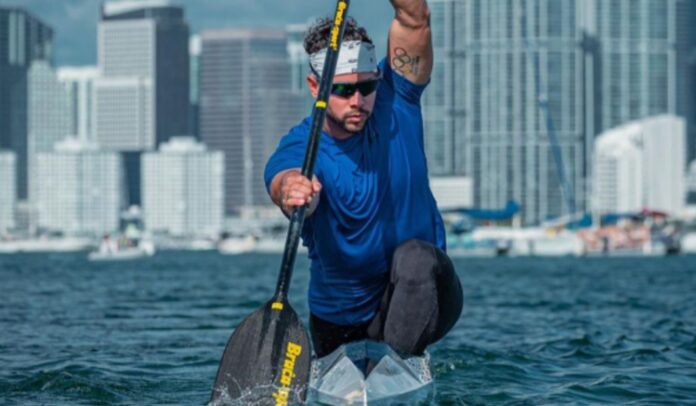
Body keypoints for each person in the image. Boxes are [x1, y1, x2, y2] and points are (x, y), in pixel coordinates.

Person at [264, 0, 462, 358]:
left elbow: (414, 17)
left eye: (366, 88)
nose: (358, 101)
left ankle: (398, 368)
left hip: (423, 292)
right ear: (315, 86)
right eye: (341, 91)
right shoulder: (301, 147)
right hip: (339, 320)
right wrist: (293, 191)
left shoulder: (397, 96)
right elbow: (282, 180)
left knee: (415, 257)